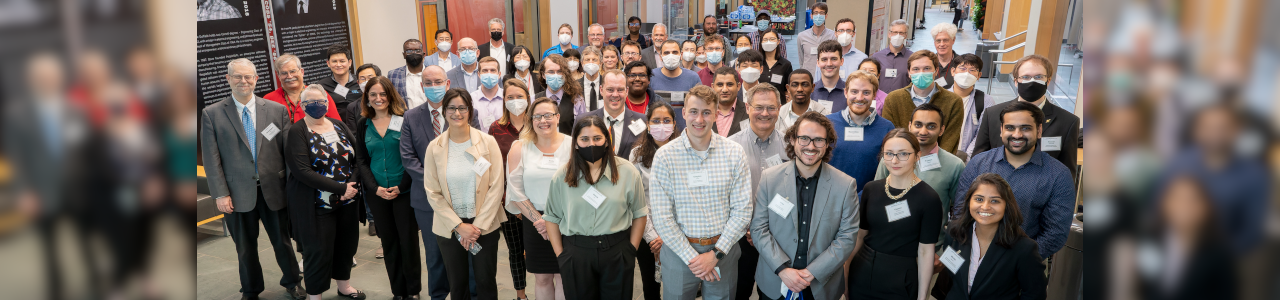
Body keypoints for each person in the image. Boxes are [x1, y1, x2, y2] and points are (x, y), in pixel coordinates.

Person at [201, 58, 306, 300]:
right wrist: (220, 193)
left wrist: (291, 188)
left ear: (256, 79)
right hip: (236, 194)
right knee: (245, 248)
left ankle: (292, 282)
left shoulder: (276, 110)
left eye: (248, 76)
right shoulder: (212, 114)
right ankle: (250, 289)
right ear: (228, 79)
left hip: (273, 190)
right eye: (237, 76)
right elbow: (211, 158)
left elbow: (288, 153)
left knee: (282, 242)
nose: (243, 81)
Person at [648, 85, 753, 300]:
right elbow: (661, 216)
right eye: (694, 112)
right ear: (684, 113)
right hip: (678, 251)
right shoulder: (665, 156)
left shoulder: (734, 152)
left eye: (706, 112)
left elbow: (742, 211)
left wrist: (715, 255)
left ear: (715, 114)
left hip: (724, 249)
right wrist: (693, 259)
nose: (700, 119)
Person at [751, 111, 861, 300]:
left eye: (819, 140)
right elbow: (759, 228)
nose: (811, 146)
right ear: (793, 140)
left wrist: (810, 274)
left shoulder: (845, 185)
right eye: (804, 138)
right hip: (775, 281)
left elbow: (847, 238)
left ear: (827, 144)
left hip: (820, 285)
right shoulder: (770, 178)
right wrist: (783, 270)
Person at [953, 101, 1076, 260]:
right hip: (971, 255)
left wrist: (1016, 261)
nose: (1017, 134)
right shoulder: (979, 163)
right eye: (1010, 128)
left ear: (1039, 131)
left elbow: (1055, 233)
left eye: (1025, 128)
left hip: (1023, 264)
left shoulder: (1058, 175)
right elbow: (960, 211)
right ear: (1001, 130)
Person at [545, 115, 650, 300]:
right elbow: (552, 218)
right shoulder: (561, 176)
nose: (591, 144)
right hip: (576, 252)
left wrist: (630, 250)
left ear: (607, 141)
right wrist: (561, 255)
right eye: (584, 139)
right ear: (575, 143)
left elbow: (640, 213)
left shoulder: (627, 171)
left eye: (597, 138)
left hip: (617, 251)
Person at [399, 65, 478, 300]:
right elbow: (408, 157)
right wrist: (437, 184)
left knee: (469, 250)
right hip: (427, 201)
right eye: (428, 83)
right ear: (422, 87)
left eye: (438, 82)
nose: (434, 87)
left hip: (464, 195)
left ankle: (471, 294)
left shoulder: (462, 113)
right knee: (435, 254)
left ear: (447, 84)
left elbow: (476, 151)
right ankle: (439, 295)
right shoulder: (411, 116)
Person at [284, 84, 369, 300]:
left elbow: (358, 156)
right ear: (302, 106)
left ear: (327, 102)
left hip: (347, 201)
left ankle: (344, 287)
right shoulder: (297, 131)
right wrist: (341, 188)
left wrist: (350, 186)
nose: (316, 106)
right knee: (317, 252)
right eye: (310, 103)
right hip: (317, 205)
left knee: (346, 246)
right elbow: (301, 171)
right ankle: (315, 295)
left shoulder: (339, 125)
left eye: (320, 101)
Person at [422, 88, 507, 300]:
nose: (457, 113)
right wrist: (459, 226)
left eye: (462, 108)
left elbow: (496, 186)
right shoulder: (434, 147)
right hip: (449, 226)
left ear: (470, 111)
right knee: (457, 284)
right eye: (452, 108)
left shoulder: (487, 142)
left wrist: (476, 227)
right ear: (444, 111)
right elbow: (432, 192)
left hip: (484, 226)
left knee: (486, 281)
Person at [848, 128, 942, 300]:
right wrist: (845, 277)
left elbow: (925, 252)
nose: (894, 160)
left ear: (917, 156)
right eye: (889, 154)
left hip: (901, 278)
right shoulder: (871, 188)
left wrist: (922, 297)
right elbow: (860, 237)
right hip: (862, 272)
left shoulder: (929, 198)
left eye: (903, 154)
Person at [351, 76, 423, 300]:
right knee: (389, 242)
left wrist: (401, 187)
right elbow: (361, 160)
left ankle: (413, 291)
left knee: (408, 241)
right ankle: (398, 291)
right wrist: (375, 188)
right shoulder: (363, 124)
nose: (378, 98)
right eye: (373, 94)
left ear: (390, 95)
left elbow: (414, 156)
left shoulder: (405, 119)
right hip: (377, 194)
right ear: (367, 98)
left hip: (404, 191)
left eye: (382, 93)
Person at [938, 173, 1046, 300]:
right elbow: (951, 275)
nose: (985, 207)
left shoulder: (1024, 248)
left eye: (994, 201)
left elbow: (1034, 294)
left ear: (1007, 206)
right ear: (969, 202)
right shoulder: (954, 232)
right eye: (979, 199)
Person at [505, 96, 572, 300]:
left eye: (548, 115)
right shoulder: (520, 147)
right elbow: (515, 190)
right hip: (535, 222)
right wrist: (540, 220)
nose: (543, 120)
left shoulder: (573, 145)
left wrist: (555, 220)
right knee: (542, 278)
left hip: (567, 220)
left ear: (558, 117)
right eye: (538, 116)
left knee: (564, 276)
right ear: (531, 120)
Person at [972, 55, 1079, 180]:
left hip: (1042, 193)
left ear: (1048, 81)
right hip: (998, 189)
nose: (1032, 81)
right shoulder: (993, 114)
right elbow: (979, 159)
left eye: (1038, 77)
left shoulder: (1068, 122)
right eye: (1026, 77)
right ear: (1016, 81)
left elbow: (1068, 173)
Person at [726, 84, 788, 300]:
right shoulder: (730, 146)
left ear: (779, 108)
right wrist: (747, 228)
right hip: (740, 237)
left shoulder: (791, 146)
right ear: (747, 106)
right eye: (759, 107)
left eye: (771, 108)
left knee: (771, 294)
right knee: (738, 291)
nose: (765, 113)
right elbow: (725, 193)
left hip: (778, 237)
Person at [627, 102, 682, 300]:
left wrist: (668, 236)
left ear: (675, 124)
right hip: (646, 231)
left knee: (678, 286)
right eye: (656, 121)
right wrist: (653, 237)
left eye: (666, 120)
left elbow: (686, 200)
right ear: (648, 124)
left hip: (679, 232)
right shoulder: (637, 154)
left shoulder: (684, 152)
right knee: (650, 287)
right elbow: (637, 200)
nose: (661, 125)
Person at [876, 103, 965, 220]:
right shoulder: (891, 158)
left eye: (931, 126)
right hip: (891, 234)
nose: (923, 132)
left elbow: (959, 208)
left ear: (941, 130)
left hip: (933, 237)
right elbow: (877, 197)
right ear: (909, 126)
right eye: (918, 125)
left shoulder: (955, 165)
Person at [487, 79, 533, 300]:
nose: (516, 101)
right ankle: (521, 295)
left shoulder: (537, 125)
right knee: (516, 251)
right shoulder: (496, 128)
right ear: (504, 101)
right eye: (510, 97)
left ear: (528, 98)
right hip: (509, 204)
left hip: (537, 203)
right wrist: (509, 202)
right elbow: (494, 167)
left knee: (544, 250)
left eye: (520, 96)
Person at [882, 50, 964, 154]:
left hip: (937, 164)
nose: (921, 73)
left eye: (927, 68)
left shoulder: (953, 101)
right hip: (901, 160)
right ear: (909, 73)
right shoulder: (893, 99)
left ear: (936, 71)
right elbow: (890, 137)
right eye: (916, 69)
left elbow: (950, 141)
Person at [827, 71, 895, 194]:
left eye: (866, 92)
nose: (859, 98)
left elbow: (890, 170)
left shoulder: (887, 128)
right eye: (854, 91)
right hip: (831, 197)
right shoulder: (827, 123)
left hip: (870, 199)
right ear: (845, 93)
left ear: (874, 95)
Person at [578, 70, 646, 158]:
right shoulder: (582, 120)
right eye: (610, 90)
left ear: (627, 91)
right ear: (601, 90)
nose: (615, 94)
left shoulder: (643, 121)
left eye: (620, 90)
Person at [263, 54, 342, 122]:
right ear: (278, 76)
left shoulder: (319, 95)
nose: (289, 76)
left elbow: (337, 124)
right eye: (284, 73)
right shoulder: (269, 100)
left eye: (293, 71)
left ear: (302, 72)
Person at [949, 54, 995, 158]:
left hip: (970, 159)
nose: (966, 74)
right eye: (962, 69)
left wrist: (966, 158)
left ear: (979, 76)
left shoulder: (986, 101)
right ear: (953, 71)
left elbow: (982, 134)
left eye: (972, 70)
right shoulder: (940, 97)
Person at [537, 54, 587, 134]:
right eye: (551, 72)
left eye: (559, 72)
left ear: (565, 74)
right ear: (543, 75)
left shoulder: (577, 99)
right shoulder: (534, 99)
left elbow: (583, 129)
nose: (556, 75)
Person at [319, 43, 361, 126]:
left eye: (342, 61)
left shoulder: (360, 82)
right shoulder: (322, 86)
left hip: (360, 128)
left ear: (349, 62)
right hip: (335, 129)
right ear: (328, 63)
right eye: (334, 61)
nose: (338, 65)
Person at [870, 19, 912, 93]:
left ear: (905, 35)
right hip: (881, 101)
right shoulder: (877, 57)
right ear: (889, 34)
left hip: (902, 100)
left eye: (901, 33)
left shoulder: (912, 58)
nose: (898, 35)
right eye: (895, 32)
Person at [390, 39, 430, 108]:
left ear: (423, 54)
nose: (413, 53)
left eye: (417, 50)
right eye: (409, 51)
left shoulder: (433, 73)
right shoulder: (393, 75)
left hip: (429, 116)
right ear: (404, 55)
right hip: (404, 117)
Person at [470, 57, 507, 132]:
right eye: (485, 71)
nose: (489, 74)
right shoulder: (471, 99)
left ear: (499, 74)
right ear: (479, 74)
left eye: (493, 70)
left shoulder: (507, 97)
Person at [796, 3, 836, 73]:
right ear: (811, 16)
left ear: (826, 16)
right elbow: (801, 60)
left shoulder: (833, 36)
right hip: (808, 76)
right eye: (816, 13)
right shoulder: (802, 36)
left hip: (826, 76)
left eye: (821, 13)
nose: (818, 16)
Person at [812, 40, 849, 113]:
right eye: (824, 59)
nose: (829, 64)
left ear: (842, 61)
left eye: (834, 59)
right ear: (818, 63)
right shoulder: (810, 92)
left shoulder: (850, 92)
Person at [711, 66, 748, 137]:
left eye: (729, 84)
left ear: (738, 86)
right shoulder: (703, 111)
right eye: (720, 85)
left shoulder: (749, 112)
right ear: (713, 87)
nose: (725, 90)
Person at [758, 29, 794, 98]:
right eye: (765, 39)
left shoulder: (786, 65)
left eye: (772, 39)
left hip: (779, 105)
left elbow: (788, 89)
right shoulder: (756, 63)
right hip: (759, 104)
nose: (768, 42)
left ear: (778, 41)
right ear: (761, 42)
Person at [345, 64, 382, 128]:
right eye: (362, 79)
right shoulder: (353, 108)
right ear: (358, 82)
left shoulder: (391, 100)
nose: (366, 82)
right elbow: (353, 134)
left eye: (370, 78)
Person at [931, 23, 961, 89]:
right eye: (938, 41)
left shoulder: (961, 63)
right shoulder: (929, 62)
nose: (942, 44)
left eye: (945, 40)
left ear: (953, 40)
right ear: (934, 43)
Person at [578, 46, 605, 111]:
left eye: (594, 60)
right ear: (582, 63)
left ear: (600, 63)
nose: (591, 62)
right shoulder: (575, 85)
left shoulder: (607, 83)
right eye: (587, 60)